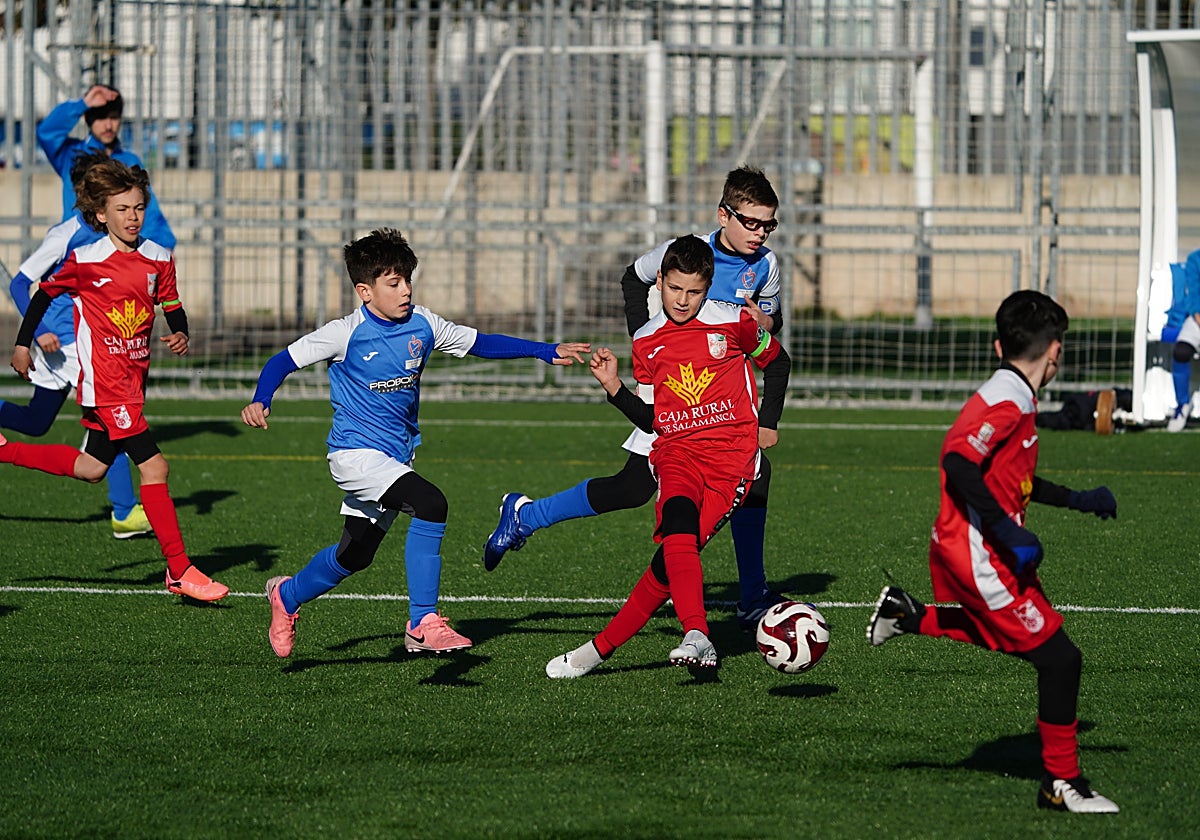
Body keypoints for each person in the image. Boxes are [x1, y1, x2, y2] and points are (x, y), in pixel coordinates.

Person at [244, 227, 591, 658]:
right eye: (394, 283)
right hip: (354, 456)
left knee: (355, 556)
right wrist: (262, 399)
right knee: (431, 503)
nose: (406, 290)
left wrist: (543, 350)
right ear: (364, 291)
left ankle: (287, 596)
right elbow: (282, 360)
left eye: (408, 280)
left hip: (395, 457)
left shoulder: (424, 324)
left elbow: (480, 342)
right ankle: (423, 622)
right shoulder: (344, 333)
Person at [485, 165, 787, 629]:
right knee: (638, 488)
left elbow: (770, 323)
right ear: (723, 215)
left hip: (720, 402)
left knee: (723, 480)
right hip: (674, 388)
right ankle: (528, 516)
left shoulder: (765, 266)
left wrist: (765, 325)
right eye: (751, 222)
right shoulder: (683, 253)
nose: (760, 232)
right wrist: (650, 345)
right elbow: (631, 278)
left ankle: (750, 594)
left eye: (769, 224)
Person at [866, 290, 1119, 813]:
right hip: (980, 554)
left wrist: (1076, 499)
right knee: (1059, 659)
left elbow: (1009, 476)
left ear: (998, 345)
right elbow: (959, 461)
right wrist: (1010, 534)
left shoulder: (1014, 392)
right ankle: (1061, 783)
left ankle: (908, 615)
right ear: (1054, 352)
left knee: (1029, 642)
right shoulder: (1007, 400)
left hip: (983, 547)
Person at [546, 235, 790, 678]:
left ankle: (597, 651)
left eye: (694, 291)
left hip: (731, 462)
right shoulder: (646, 340)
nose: (683, 300)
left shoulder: (733, 323)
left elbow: (777, 362)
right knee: (676, 524)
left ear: (708, 286)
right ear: (660, 282)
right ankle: (697, 634)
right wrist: (614, 388)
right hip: (676, 453)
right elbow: (656, 420)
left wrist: (768, 423)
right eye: (675, 289)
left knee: (668, 565)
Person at [3, 159, 228, 601]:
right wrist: (23, 344)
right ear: (101, 214)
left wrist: (180, 331)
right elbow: (42, 294)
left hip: (133, 381)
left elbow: (172, 303)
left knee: (91, 469)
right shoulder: (85, 261)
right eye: (122, 209)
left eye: (139, 208)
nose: (132, 217)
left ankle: (5, 449)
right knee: (156, 467)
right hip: (107, 386)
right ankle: (180, 570)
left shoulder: (159, 257)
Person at [2, 152, 151, 539]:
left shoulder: (114, 233)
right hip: (69, 346)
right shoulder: (66, 234)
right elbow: (21, 284)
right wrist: (36, 335)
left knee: (37, 422)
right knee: (111, 420)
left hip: (90, 342)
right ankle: (123, 511)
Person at [37, 84, 175, 250]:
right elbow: (46, 132)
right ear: (89, 120)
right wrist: (83, 104)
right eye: (101, 118)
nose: (108, 125)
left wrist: (162, 244)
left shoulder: (129, 160)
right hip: (78, 252)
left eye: (114, 118)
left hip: (118, 254)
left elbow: (146, 208)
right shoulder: (72, 155)